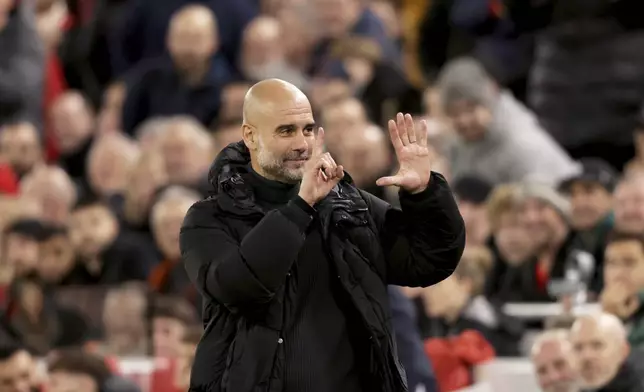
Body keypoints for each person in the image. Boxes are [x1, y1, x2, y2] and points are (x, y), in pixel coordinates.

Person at [180, 78, 465, 392]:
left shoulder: (348, 205)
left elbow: (428, 260)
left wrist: (425, 194)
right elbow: (239, 289)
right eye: (286, 130)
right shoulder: (209, 218)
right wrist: (300, 207)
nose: (302, 143)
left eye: (307, 129)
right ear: (250, 135)